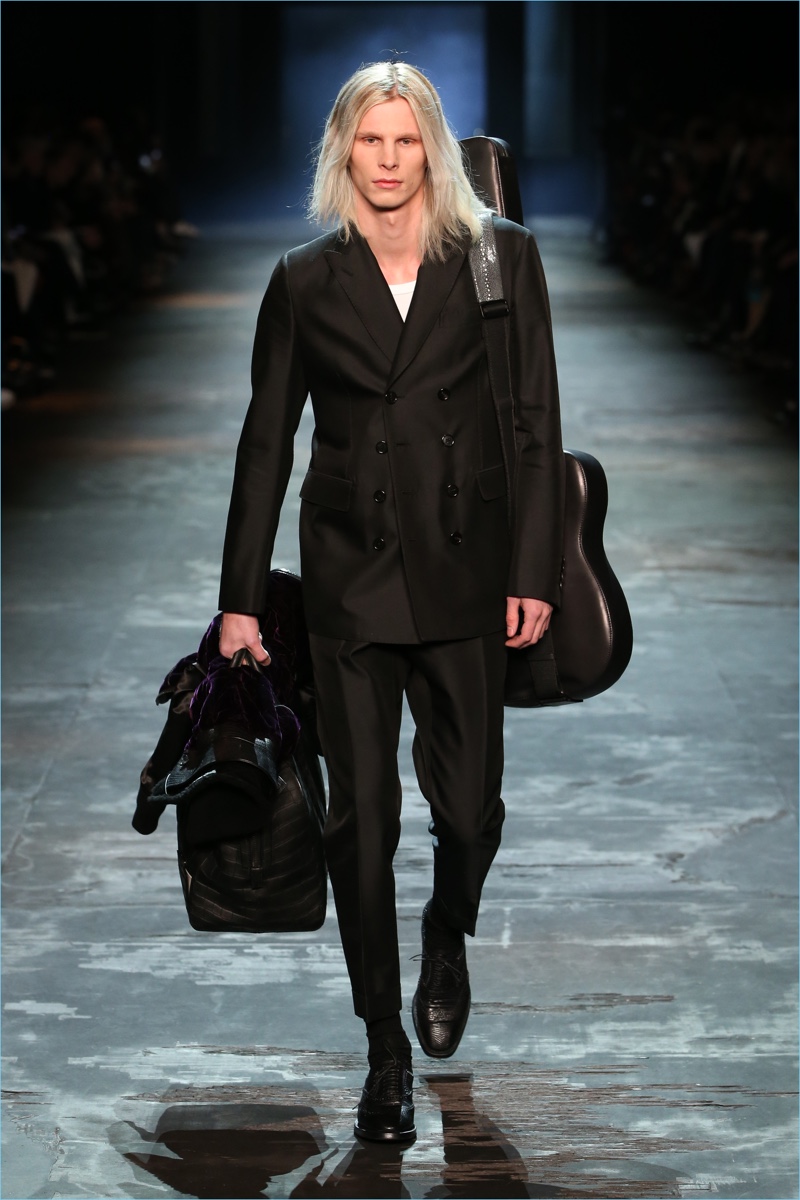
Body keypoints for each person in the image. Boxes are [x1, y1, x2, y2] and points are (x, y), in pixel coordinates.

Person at [218, 61, 565, 1143]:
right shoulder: (304, 280)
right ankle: (383, 1047)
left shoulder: (498, 258)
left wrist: (533, 570)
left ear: (433, 150)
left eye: (405, 140)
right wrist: (239, 599)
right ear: (342, 150)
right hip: (352, 576)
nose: (387, 160)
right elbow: (266, 441)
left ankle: (446, 930)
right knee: (357, 824)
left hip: (467, 572)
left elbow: (533, 424)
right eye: (369, 141)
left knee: (469, 813)